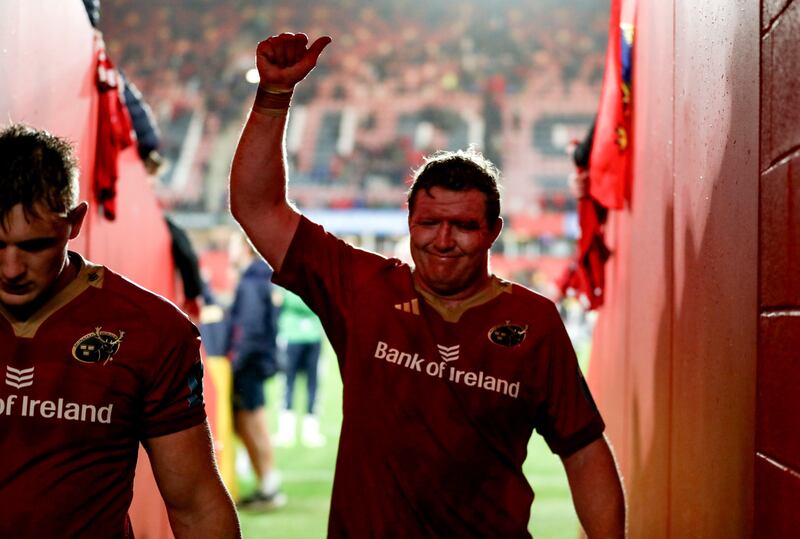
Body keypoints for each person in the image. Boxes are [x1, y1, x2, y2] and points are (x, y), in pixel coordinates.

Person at [230, 33, 626, 538]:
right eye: (429, 222)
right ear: (409, 221)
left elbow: (584, 449)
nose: (443, 241)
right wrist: (273, 97)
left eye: (462, 226)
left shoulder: (533, 321)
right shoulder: (361, 286)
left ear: (492, 232)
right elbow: (256, 207)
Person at [0, 123, 240, 538]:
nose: (11, 269)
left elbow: (197, 505)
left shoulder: (151, 331)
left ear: (75, 222)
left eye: (34, 245)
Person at [226, 250, 286, 510]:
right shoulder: (262, 278)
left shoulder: (251, 281)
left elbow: (248, 327)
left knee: (251, 423)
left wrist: (235, 361)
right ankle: (268, 483)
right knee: (253, 422)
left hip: (248, 364)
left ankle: (268, 486)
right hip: (258, 360)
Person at [273, 287, 326, 448]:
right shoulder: (285, 273)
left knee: (313, 384)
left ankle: (310, 431)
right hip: (291, 336)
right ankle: (286, 431)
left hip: (313, 336)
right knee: (288, 383)